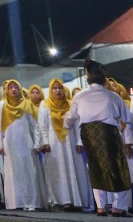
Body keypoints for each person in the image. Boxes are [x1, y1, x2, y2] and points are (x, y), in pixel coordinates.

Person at [65, 60, 133, 217]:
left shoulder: (79, 96)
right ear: (105, 81)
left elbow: (69, 118)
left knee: (96, 169)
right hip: (109, 135)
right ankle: (118, 207)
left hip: (89, 137)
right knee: (119, 169)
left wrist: (66, 124)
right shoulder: (112, 96)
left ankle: (101, 207)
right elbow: (129, 119)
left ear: (88, 81)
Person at [39, 78, 90, 210]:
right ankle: (61, 200)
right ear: (51, 90)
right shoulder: (45, 105)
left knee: (74, 169)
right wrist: (45, 142)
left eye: (60, 88)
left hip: (71, 142)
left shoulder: (71, 104)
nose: (58, 91)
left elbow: (78, 124)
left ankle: (76, 200)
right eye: (54, 88)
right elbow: (42, 126)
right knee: (57, 171)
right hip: (53, 143)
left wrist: (79, 142)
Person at [0, 78, 41, 210]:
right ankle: (15, 203)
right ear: (6, 90)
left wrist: (37, 143)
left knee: (28, 172)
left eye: (16, 87)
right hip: (9, 143)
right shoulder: (2, 105)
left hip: (26, 143)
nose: (13, 90)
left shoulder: (27, 104)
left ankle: (30, 202)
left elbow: (35, 126)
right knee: (12, 172)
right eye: (10, 87)